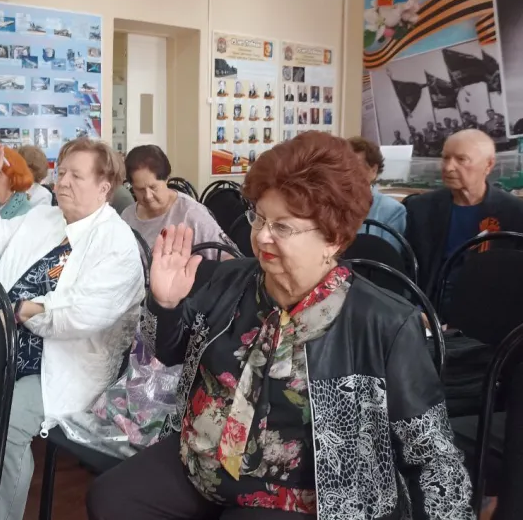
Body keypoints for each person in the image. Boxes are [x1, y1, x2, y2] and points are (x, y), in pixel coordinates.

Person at [87, 131, 473, 520]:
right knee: (111, 498)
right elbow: (168, 352)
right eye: (259, 218)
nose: (262, 236)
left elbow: (431, 455)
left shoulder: (383, 323)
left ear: (333, 238)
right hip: (200, 460)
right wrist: (165, 305)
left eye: (283, 227)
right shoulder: (229, 282)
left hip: (301, 493)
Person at [0, 137, 144, 520]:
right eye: (61, 172)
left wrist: (24, 309)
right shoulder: (44, 217)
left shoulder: (117, 244)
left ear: (103, 188)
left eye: (75, 176)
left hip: (66, 364)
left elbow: (80, 316)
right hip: (11, 346)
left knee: (7, 422)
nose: (62, 182)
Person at [406, 129, 523, 293]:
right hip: (429, 304)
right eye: (445, 158)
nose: (448, 167)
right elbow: (407, 268)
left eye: (461, 159)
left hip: (487, 305)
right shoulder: (420, 208)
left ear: (488, 165)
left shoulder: (514, 213)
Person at [122, 145, 235, 260]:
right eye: (140, 189)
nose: (148, 196)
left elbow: (230, 258)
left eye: (153, 187)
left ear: (166, 179)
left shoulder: (191, 213)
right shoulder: (128, 216)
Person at [348, 137, 406, 250]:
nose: (347, 172)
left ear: (373, 170)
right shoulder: (330, 204)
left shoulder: (392, 210)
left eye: (354, 167)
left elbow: (389, 259)